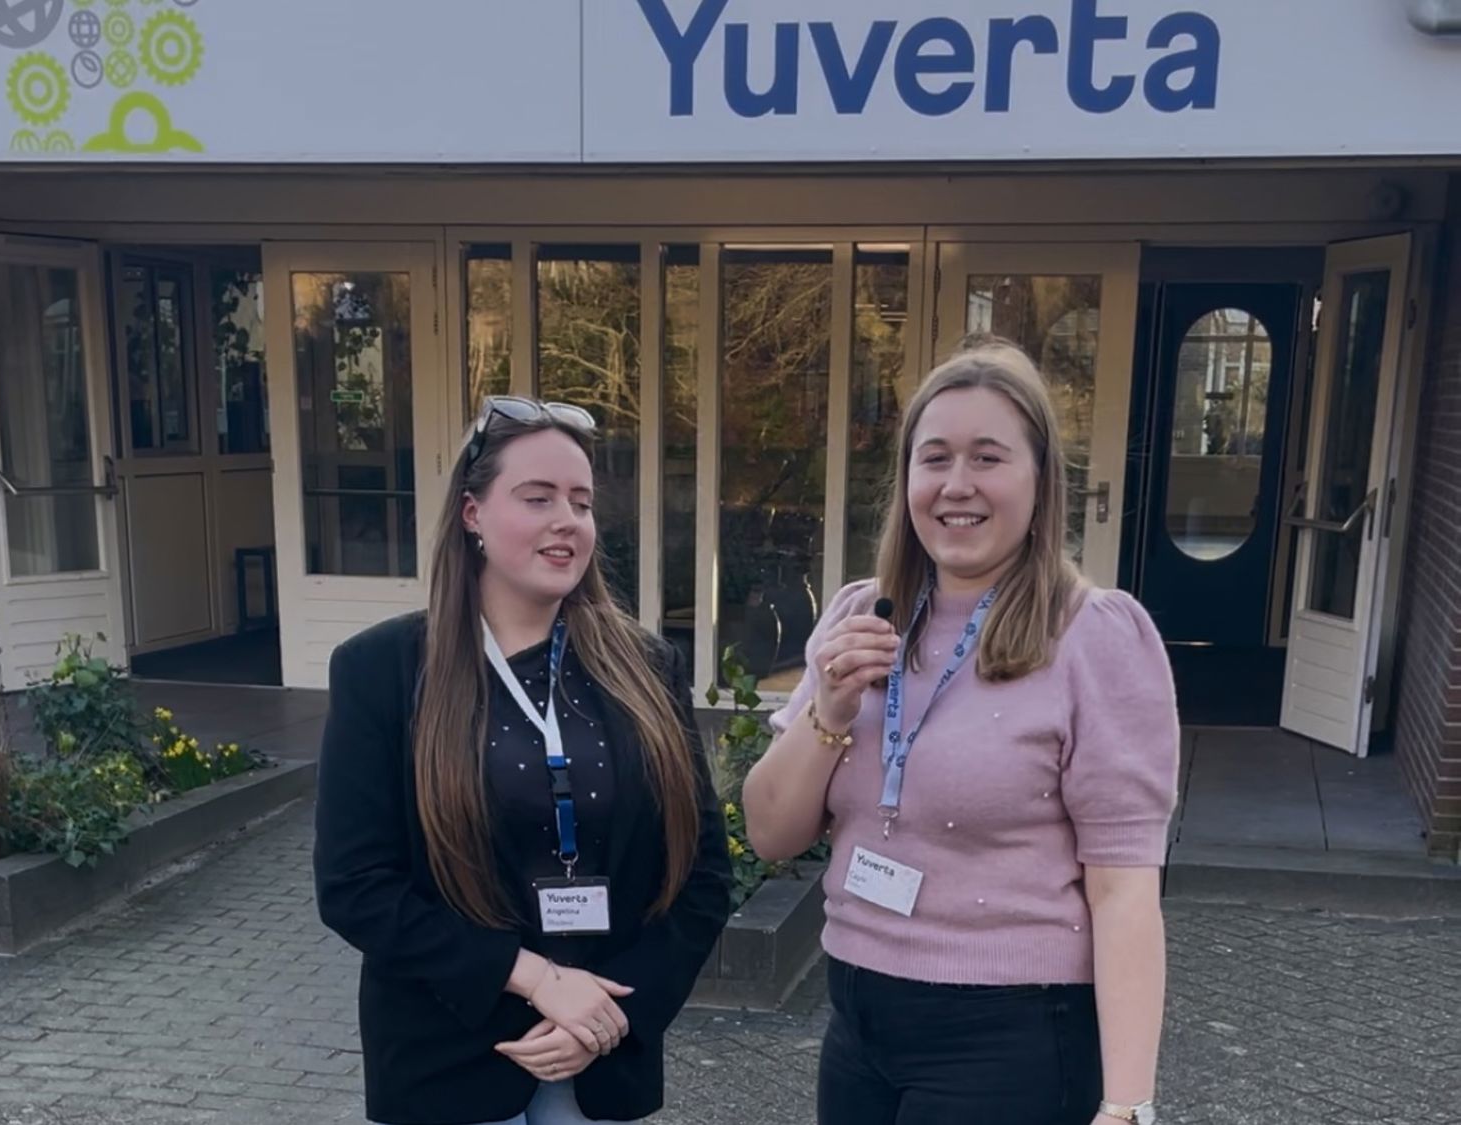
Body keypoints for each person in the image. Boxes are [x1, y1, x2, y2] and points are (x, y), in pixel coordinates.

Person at [742, 337, 1179, 1125]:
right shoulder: (860, 614)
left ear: (1041, 481)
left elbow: (1124, 892)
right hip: (856, 1023)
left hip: (1008, 1038)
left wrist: (1129, 1102)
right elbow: (771, 831)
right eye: (934, 457)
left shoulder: (1094, 637)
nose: (956, 485)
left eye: (988, 457)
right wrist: (830, 712)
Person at [314, 396, 733, 1125]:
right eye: (536, 498)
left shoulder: (646, 666)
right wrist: (536, 978)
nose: (566, 520)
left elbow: (703, 877)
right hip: (448, 1062)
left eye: (580, 501)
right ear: (472, 513)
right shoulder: (381, 669)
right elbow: (355, 886)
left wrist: (609, 1013)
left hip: (602, 1063)